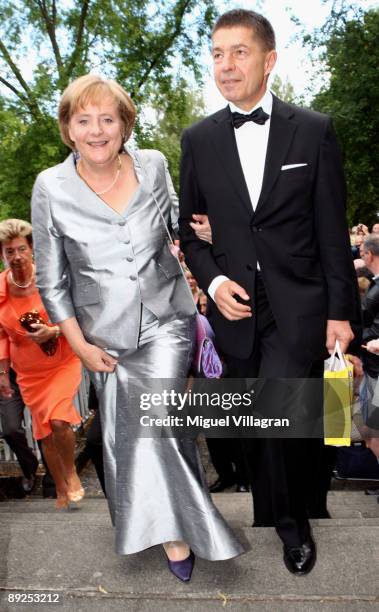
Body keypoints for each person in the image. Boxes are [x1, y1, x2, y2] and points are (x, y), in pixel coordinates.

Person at [31, 74, 244, 582]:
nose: (97, 130)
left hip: (169, 318)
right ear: (69, 129)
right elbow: (50, 276)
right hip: (103, 335)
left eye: (108, 118)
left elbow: (177, 224)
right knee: (139, 434)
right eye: (84, 120)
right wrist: (79, 344)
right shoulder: (50, 187)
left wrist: (214, 229)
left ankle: (182, 533)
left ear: (125, 125)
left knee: (158, 420)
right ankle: (164, 520)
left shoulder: (153, 164)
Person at [179, 9, 357, 575]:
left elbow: (332, 229)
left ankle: (292, 525)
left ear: (268, 59)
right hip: (235, 310)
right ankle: (299, 503)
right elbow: (190, 230)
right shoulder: (199, 139)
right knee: (266, 424)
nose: (226, 65)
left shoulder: (314, 129)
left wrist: (341, 312)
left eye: (239, 52)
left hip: (300, 304)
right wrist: (215, 279)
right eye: (216, 54)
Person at [0, 219, 83, 509]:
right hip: (28, 371)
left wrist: (55, 331)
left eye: (21, 249)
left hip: (61, 361)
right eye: (9, 251)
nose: (17, 256)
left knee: (59, 420)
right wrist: (2, 370)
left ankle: (71, 473)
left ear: (32, 249)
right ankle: (60, 486)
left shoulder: (53, 279)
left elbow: (80, 316)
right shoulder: (0, 289)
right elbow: (1, 335)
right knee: (45, 432)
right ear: (2, 254)